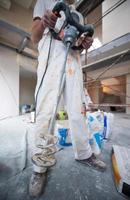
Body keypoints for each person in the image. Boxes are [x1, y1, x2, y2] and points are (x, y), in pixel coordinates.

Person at [29, 0, 106, 197]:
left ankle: (84, 153)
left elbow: (80, 43)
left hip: (73, 58)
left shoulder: (77, 15)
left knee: (77, 109)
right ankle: (40, 167)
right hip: (51, 55)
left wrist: (85, 42)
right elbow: (34, 37)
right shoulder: (44, 1)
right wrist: (44, 22)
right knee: (46, 112)